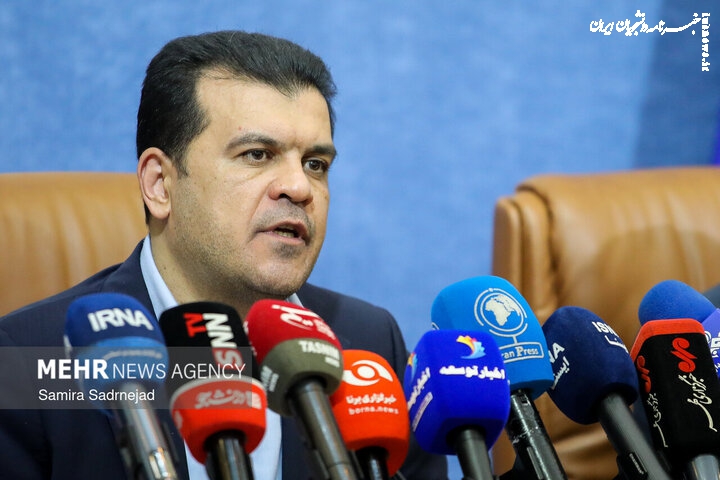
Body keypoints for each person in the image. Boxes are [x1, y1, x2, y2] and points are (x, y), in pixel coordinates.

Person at [0, 31, 448, 479]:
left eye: (315, 164)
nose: (299, 187)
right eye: (257, 155)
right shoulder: (28, 359)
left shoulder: (367, 345)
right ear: (160, 185)